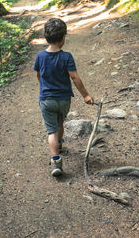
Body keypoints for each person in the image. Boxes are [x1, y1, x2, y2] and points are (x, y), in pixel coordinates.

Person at [33, 18, 94, 177]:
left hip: (47, 99)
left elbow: (39, 75)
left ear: (46, 36)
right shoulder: (67, 57)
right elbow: (75, 78)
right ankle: (59, 145)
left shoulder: (40, 56)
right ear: (63, 37)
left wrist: (44, 86)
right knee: (60, 122)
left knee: (51, 131)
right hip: (64, 99)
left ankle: (56, 162)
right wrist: (85, 95)